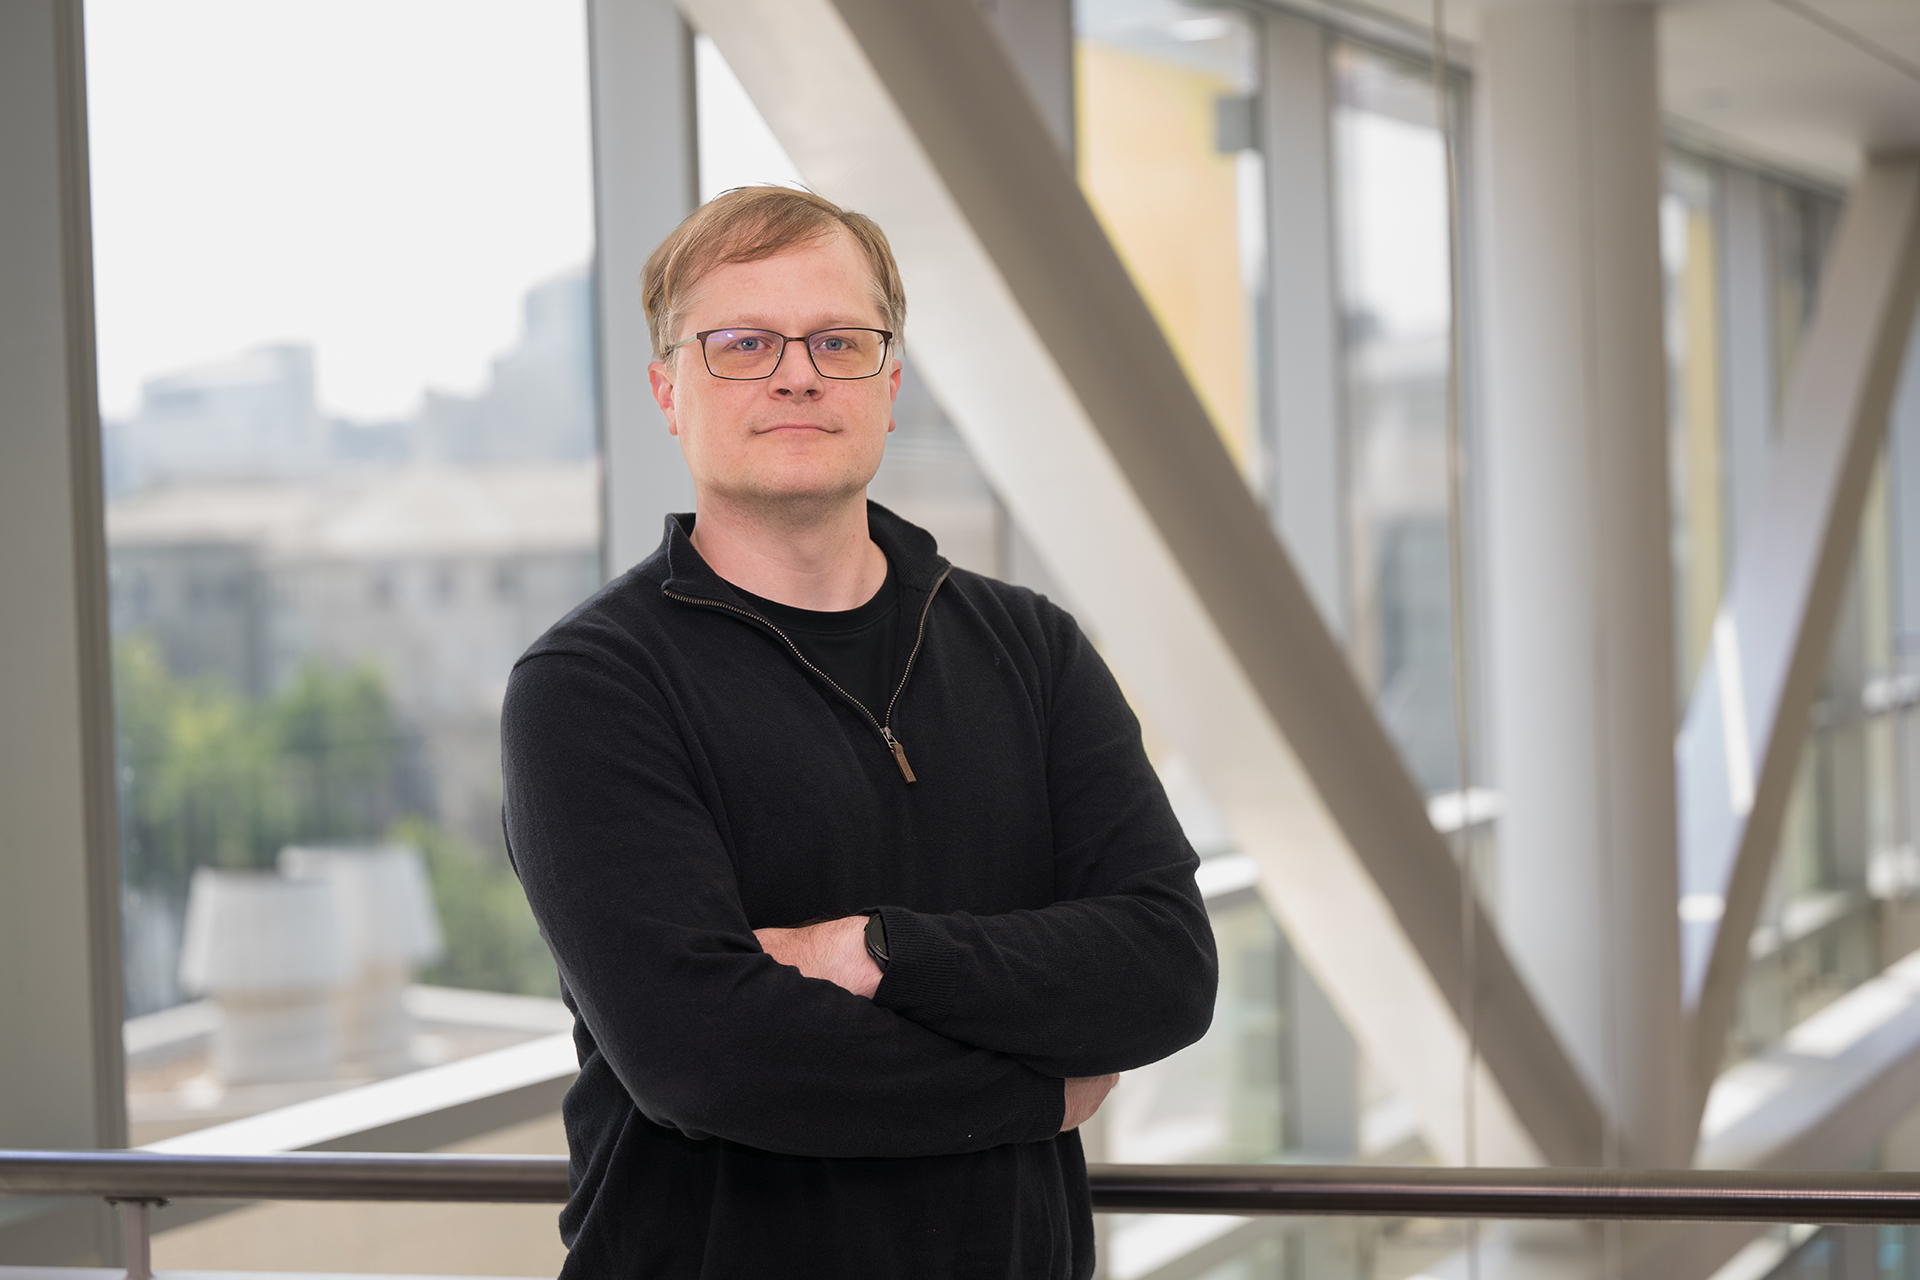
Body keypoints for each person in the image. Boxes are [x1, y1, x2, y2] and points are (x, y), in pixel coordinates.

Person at [501, 185, 1218, 1279]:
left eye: (839, 341)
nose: (797, 372)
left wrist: (880, 950)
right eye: (742, 343)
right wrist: (1038, 1085)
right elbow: (705, 1058)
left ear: (890, 383)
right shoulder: (592, 686)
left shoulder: (1032, 647)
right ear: (667, 390)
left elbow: (1165, 967)